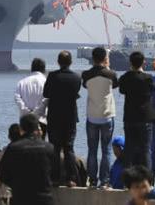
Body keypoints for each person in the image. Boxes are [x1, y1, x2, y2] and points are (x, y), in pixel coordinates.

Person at [0, 113, 54, 205]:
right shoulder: (49, 147)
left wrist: (16, 184)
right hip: (45, 198)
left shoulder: (13, 148)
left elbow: (2, 174)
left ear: (21, 129)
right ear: (37, 129)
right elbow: (56, 173)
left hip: (21, 198)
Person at [42, 50, 81, 186]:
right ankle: (71, 178)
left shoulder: (52, 76)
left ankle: (55, 178)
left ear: (58, 62)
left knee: (55, 148)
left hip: (54, 116)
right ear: (70, 62)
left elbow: (46, 93)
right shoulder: (76, 77)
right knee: (69, 148)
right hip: (70, 117)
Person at [81, 46, 118, 187]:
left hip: (91, 116)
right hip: (107, 115)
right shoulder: (111, 74)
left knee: (92, 150)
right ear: (105, 58)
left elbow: (85, 85)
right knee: (106, 150)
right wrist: (108, 67)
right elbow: (115, 85)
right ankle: (105, 181)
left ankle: (92, 180)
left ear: (93, 58)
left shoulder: (86, 74)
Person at [119, 51, 155, 169]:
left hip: (129, 117)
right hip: (145, 117)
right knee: (146, 149)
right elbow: (153, 90)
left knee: (129, 149)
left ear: (130, 62)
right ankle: (147, 179)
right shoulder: (148, 78)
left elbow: (121, 90)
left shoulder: (125, 77)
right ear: (143, 62)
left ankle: (127, 180)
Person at [14, 58, 48, 137]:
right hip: (41, 120)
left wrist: (26, 112)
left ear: (32, 68)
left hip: (25, 120)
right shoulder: (46, 82)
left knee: (25, 146)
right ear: (44, 69)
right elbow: (46, 99)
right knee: (41, 146)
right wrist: (35, 113)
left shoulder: (21, 82)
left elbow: (17, 98)